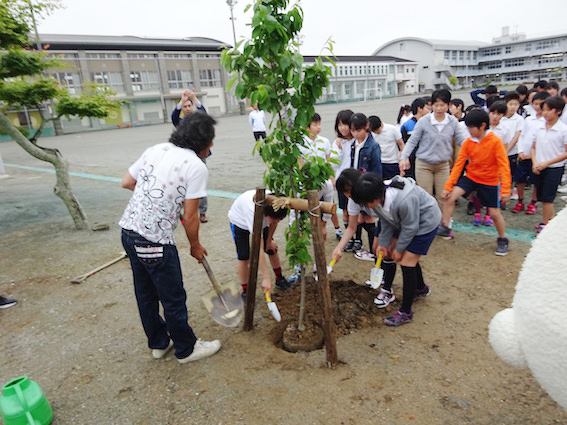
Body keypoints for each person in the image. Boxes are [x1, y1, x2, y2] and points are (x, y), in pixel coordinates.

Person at [119, 112, 221, 364]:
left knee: (145, 293)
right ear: (202, 142)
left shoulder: (156, 149)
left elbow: (127, 182)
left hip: (129, 233)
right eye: (212, 140)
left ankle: (159, 343)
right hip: (154, 241)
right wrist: (195, 246)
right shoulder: (196, 166)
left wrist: (154, 197)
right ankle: (186, 349)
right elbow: (191, 215)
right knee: (172, 296)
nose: (212, 146)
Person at [349, 173, 441, 327]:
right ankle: (420, 288)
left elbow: (411, 227)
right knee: (406, 257)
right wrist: (384, 244)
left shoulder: (403, 200)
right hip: (408, 222)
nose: (363, 207)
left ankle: (406, 312)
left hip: (425, 222)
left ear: (373, 198)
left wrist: (399, 248)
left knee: (406, 262)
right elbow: (386, 220)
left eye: (364, 203)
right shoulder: (378, 199)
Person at [437, 109, 511, 256]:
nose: (469, 130)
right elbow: (459, 164)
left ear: (482, 126)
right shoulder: (468, 142)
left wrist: (505, 190)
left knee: (495, 213)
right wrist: (448, 186)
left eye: (471, 127)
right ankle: (445, 226)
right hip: (471, 177)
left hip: (490, 180)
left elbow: (504, 166)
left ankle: (502, 239)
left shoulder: (495, 142)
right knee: (449, 197)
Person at [399, 89, 468, 204]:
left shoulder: (452, 122)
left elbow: (462, 141)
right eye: (436, 105)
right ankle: (427, 222)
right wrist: (404, 157)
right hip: (424, 164)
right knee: (426, 197)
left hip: (443, 165)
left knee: (443, 196)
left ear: (448, 105)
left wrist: (476, 153)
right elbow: (412, 141)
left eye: (442, 105)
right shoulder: (424, 121)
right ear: (431, 105)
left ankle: (442, 221)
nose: (439, 109)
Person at [228, 190, 290, 298]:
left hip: (262, 220)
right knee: (244, 257)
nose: (276, 222)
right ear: (266, 214)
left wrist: (269, 240)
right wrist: (266, 277)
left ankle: (279, 278)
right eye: (274, 219)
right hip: (239, 222)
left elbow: (274, 222)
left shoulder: (275, 203)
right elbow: (258, 249)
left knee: (271, 249)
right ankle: (246, 291)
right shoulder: (253, 214)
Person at [530, 96, 567, 235]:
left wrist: (547, 163)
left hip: (554, 168)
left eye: (548, 110)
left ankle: (546, 226)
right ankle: (550, 223)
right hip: (539, 166)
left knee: (547, 199)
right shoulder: (539, 126)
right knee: (541, 197)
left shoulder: (563, 129)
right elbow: (533, 147)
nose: (545, 113)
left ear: (557, 111)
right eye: (543, 110)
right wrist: (535, 162)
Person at [171, 89, 209, 223]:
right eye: (185, 106)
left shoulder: (198, 120)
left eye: (189, 105)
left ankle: (202, 212)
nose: (187, 108)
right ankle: (182, 211)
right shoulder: (180, 121)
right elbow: (174, 116)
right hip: (184, 158)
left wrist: (194, 98)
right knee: (183, 184)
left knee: (200, 184)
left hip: (199, 156)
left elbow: (204, 113)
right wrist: (182, 101)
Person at [347, 113, 382, 254]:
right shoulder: (353, 145)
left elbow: (377, 170)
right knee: (359, 216)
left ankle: (372, 249)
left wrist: (373, 189)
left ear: (366, 127)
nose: (355, 134)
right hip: (356, 186)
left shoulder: (373, 146)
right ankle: (359, 243)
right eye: (353, 130)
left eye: (358, 130)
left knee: (369, 217)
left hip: (367, 186)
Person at [512, 91, 549, 214]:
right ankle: (520, 201)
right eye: (535, 103)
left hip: (538, 157)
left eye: (540, 104)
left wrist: (532, 155)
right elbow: (522, 136)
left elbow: (545, 141)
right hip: (524, 155)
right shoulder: (528, 119)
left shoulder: (547, 121)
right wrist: (521, 151)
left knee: (536, 181)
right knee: (520, 179)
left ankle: (533, 203)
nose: (537, 106)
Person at [333, 168, 379, 263]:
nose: (347, 195)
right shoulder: (353, 201)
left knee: (406, 258)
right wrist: (339, 248)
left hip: (400, 217)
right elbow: (351, 227)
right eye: (344, 192)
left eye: (349, 191)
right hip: (386, 221)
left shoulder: (374, 193)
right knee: (378, 251)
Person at [330, 109, 355, 236]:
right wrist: (339, 149)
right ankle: (348, 236)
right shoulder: (338, 142)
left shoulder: (357, 140)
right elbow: (333, 163)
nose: (342, 128)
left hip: (356, 181)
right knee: (345, 210)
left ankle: (357, 237)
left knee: (357, 212)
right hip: (343, 180)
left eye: (345, 124)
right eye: (339, 125)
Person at [500, 91, 525, 204]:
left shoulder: (519, 119)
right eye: (511, 104)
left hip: (512, 152)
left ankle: (509, 195)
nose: (513, 107)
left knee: (510, 174)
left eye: (516, 104)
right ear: (506, 104)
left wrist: (507, 150)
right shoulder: (500, 117)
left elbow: (517, 136)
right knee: (500, 175)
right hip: (499, 152)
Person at [400, 98, 430, 179]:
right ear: (419, 109)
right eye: (426, 108)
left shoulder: (429, 124)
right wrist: (404, 159)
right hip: (412, 161)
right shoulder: (406, 125)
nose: (428, 111)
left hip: (426, 160)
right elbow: (403, 144)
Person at [369, 115, 404, 180]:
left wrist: (403, 158)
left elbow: (401, 144)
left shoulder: (392, 129)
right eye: (374, 131)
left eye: (377, 130)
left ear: (381, 124)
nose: (376, 132)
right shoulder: (370, 133)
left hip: (393, 162)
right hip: (380, 163)